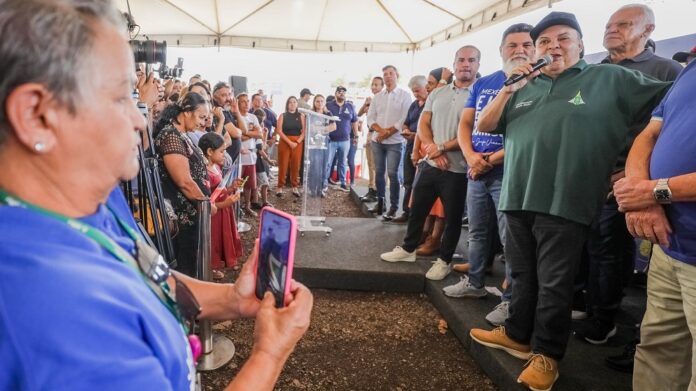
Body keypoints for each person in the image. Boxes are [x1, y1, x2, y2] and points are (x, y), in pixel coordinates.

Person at [0, 1, 312, 389]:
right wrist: (270, 352)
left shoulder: (90, 195)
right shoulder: (53, 308)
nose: (139, 118)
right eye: (120, 98)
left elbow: (150, 274)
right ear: (36, 116)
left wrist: (232, 299)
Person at [468, 12, 670, 390]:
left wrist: (635, 165)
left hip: (566, 200)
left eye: (563, 38)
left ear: (580, 45)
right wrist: (509, 89)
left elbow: (669, 105)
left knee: (555, 283)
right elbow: (486, 125)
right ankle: (516, 334)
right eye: (544, 42)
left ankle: (547, 354)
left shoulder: (610, 78)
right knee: (523, 275)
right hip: (516, 196)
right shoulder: (525, 86)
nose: (553, 47)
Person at [576, 3, 683, 359]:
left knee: (611, 251)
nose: (612, 30)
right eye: (609, 25)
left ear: (648, 30)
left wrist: (633, 175)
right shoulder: (595, 70)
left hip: (629, 181)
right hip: (589, 176)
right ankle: (591, 309)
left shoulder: (667, 70)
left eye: (623, 25)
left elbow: (664, 132)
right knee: (590, 247)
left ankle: (604, 320)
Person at [612, 58, 696, 391]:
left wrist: (654, 191)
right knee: (658, 350)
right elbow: (649, 134)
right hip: (669, 244)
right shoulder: (691, 69)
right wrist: (644, 197)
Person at [445, 23, 535, 328]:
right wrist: (472, 157)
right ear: (501, 50)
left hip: (509, 171)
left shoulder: (539, 83)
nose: (519, 50)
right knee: (478, 231)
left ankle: (511, 301)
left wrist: (489, 159)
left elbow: (527, 135)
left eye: (526, 44)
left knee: (512, 241)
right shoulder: (485, 83)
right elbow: (465, 123)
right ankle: (475, 284)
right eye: (512, 45)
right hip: (477, 170)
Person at [380, 46, 479, 281]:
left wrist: (442, 147)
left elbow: (473, 132)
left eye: (471, 60)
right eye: (461, 60)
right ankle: (408, 249)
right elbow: (424, 124)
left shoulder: (479, 93)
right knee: (417, 210)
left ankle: (444, 260)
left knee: (452, 218)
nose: (466, 64)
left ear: (477, 65)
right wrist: (434, 151)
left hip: (458, 169)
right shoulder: (437, 93)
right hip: (431, 164)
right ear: (454, 64)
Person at [153, 92, 211, 277]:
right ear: (186, 112)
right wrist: (206, 203)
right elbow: (184, 182)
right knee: (185, 272)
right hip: (182, 218)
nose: (204, 123)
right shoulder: (171, 135)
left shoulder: (181, 134)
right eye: (201, 117)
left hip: (192, 213)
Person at [366, 65, 412, 218]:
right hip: (377, 141)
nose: (387, 76)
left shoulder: (405, 95)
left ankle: (394, 206)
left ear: (397, 75)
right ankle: (381, 203)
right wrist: (381, 131)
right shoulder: (378, 96)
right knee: (379, 172)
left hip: (396, 142)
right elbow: (370, 118)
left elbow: (404, 118)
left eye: (391, 73)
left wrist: (387, 133)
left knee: (392, 174)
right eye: (385, 74)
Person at [199, 133, 243, 279]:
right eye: (222, 151)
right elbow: (208, 201)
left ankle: (221, 262)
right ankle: (211, 267)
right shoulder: (204, 172)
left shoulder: (216, 167)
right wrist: (227, 202)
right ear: (210, 152)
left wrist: (231, 188)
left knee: (223, 236)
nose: (225, 155)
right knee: (214, 239)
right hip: (215, 213)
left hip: (224, 210)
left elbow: (219, 189)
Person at [390, 75, 429, 224]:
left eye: (418, 91)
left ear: (426, 87)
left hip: (424, 149)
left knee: (420, 184)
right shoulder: (414, 105)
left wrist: (416, 135)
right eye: (414, 91)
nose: (416, 94)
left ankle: (419, 215)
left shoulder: (431, 105)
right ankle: (407, 211)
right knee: (408, 181)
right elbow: (406, 122)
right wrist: (406, 131)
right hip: (410, 146)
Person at [325, 86, 358, 192]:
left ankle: (343, 183)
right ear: (335, 94)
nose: (342, 93)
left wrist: (356, 135)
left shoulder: (350, 106)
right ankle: (324, 183)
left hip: (345, 140)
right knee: (328, 162)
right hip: (331, 140)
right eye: (339, 92)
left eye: (344, 92)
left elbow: (354, 121)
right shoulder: (329, 105)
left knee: (343, 162)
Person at [358, 76, 385, 203]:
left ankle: (377, 191)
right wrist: (365, 104)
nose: (374, 87)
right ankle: (371, 189)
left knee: (376, 165)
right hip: (369, 133)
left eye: (377, 85)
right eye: (372, 85)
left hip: (378, 134)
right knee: (369, 164)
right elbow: (358, 114)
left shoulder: (384, 100)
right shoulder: (371, 101)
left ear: (382, 86)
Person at [276, 96, 306, 197]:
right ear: (287, 104)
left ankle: (294, 186)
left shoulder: (301, 116)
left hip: (297, 142)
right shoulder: (282, 115)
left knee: (296, 165)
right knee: (283, 164)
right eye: (290, 102)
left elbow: (304, 131)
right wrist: (289, 142)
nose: (292, 104)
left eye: (294, 102)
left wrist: (297, 142)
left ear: (297, 104)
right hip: (285, 141)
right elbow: (279, 131)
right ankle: (280, 186)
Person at [308, 95, 336, 197]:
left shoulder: (328, 113)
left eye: (321, 101)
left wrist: (320, 129)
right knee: (314, 166)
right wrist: (324, 128)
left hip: (324, 143)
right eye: (317, 101)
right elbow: (310, 128)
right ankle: (312, 188)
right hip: (313, 143)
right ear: (314, 102)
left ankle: (321, 189)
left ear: (324, 103)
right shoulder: (311, 114)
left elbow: (333, 127)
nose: (319, 103)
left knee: (324, 166)